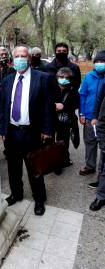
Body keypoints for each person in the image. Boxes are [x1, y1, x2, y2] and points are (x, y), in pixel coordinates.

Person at [0, 45, 54, 216]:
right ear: (12, 59)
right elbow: (3, 107)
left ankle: (39, 199)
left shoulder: (42, 78)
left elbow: (48, 107)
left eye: (24, 56)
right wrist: (2, 128)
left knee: (34, 168)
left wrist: (47, 129)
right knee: (14, 168)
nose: (20, 59)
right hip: (12, 132)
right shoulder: (7, 80)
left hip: (32, 132)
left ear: (29, 58)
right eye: (17, 56)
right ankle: (16, 193)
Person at [79, 50, 105, 181]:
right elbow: (83, 95)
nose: (100, 64)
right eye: (97, 62)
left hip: (103, 119)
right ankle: (90, 166)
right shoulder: (89, 77)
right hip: (89, 117)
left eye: (103, 61)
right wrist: (82, 113)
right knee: (90, 143)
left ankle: (103, 171)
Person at [54, 67, 78, 173]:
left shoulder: (73, 91)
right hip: (52, 120)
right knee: (50, 143)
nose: (63, 79)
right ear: (57, 77)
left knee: (63, 142)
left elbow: (76, 105)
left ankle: (60, 164)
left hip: (65, 121)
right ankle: (52, 161)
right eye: (61, 77)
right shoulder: (52, 89)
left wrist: (64, 106)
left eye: (66, 77)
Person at [46, 42, 81, 108]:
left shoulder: (74, 68)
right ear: (55, 52)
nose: (61, 53)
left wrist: (65, 104)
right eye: (59, 51)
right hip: (51, 104)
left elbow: (76, 86)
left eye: (64, 51)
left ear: (67, 52)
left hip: (69, 104)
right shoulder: (48, 67)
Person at [89, 81, 105, 211]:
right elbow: (99, 99)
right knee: (103, 159)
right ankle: (101, 183)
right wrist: (95, 116)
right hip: (103, 125)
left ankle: (101, 195)